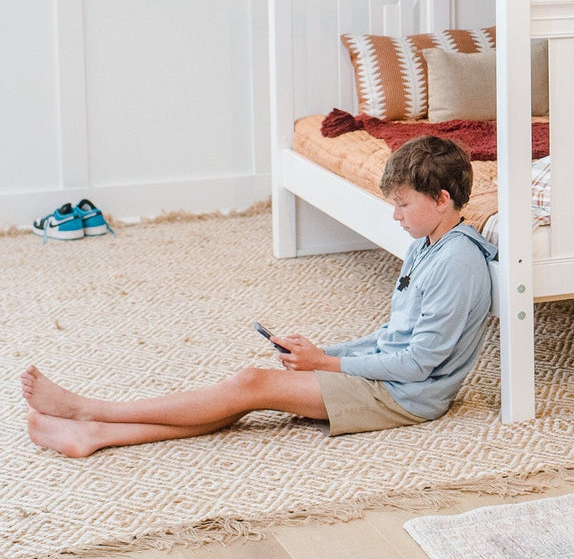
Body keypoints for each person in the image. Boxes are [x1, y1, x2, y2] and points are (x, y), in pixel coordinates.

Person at [21, 137, 496, 457]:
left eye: (403, 204)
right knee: (244, 394)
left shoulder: (457, 262)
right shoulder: (426, 244)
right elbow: (394, 335)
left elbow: (416, 364)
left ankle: (92, 412)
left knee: (250, 384)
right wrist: (326, 353)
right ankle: (95, 433)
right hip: (391, 379)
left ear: (441, 200)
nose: (394, 216)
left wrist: (326, 366)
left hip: (407, 396)